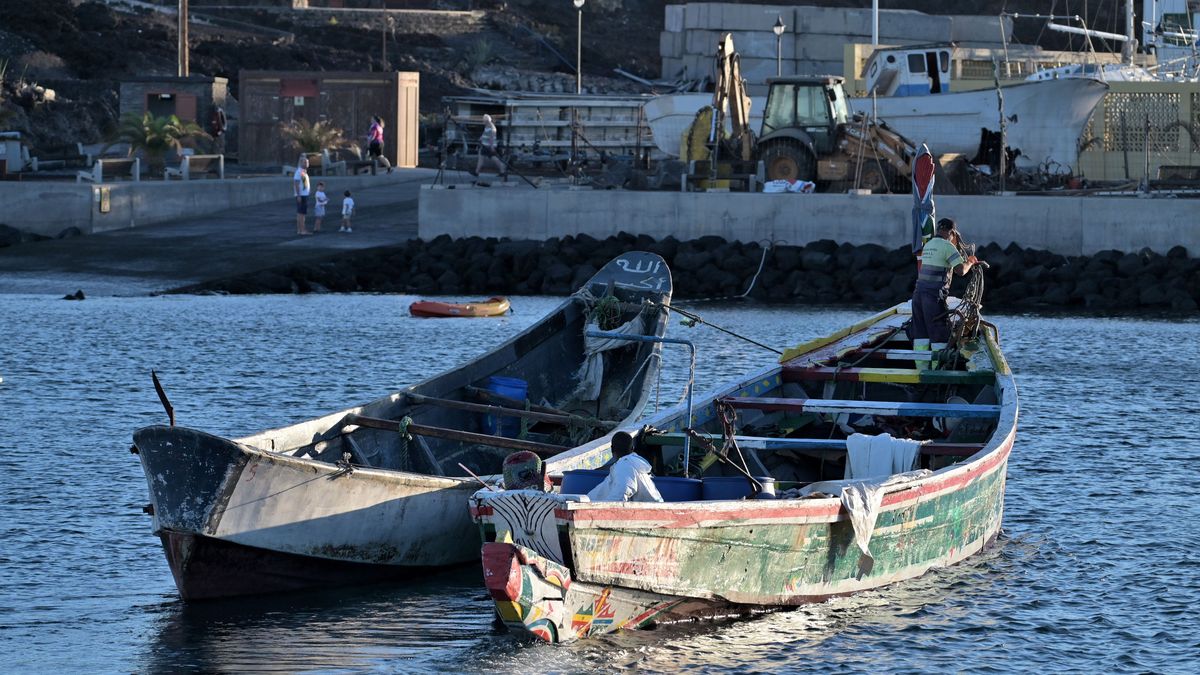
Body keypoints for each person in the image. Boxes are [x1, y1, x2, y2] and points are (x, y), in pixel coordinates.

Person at [911, 218, 981, 370]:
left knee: (921, 335)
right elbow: (961, 270)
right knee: (939, 334)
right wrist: (970, 261)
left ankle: (921, 370)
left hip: (917, 296)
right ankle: (937, 371)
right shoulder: (948, 246)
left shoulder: (928, 245)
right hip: (933, 296)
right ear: (951, 232)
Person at [472, 113, 506, 179]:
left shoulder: (492, 128)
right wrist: (481, 138)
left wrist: (492, 147)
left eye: (483, 120)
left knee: (495, 159)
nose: (483, 122)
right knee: (481, 159)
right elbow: (484, 134)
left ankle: (503, 171)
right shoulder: (487, 126)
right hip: (484, 145)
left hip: (488, 147)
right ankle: (476, 172)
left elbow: (491, 138)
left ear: (486, 121)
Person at [293, 155, 311, 236]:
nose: (307, 163)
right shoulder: (299, 172)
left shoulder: (304, 172)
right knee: (301, 214)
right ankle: (302, 230)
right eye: (305, 162)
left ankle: (300, 230)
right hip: (302, 196)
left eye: (307, 162)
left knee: (301, 213)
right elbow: (296, 183)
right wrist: (299, 195)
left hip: (304, 195)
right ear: (301, 163)